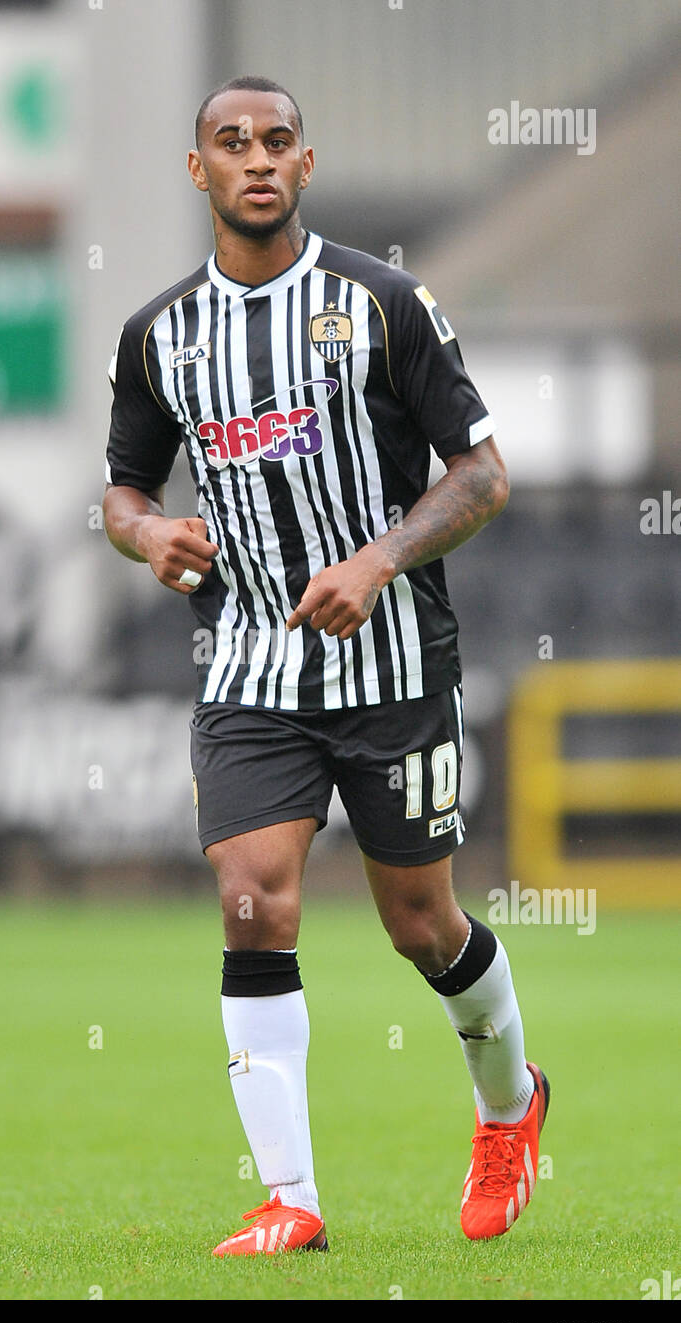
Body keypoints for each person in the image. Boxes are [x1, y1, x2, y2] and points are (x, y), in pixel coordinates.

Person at [103, 75, 548, 1256]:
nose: (257, 158)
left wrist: (379, 559)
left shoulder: (383, 303)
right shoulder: (161, 336)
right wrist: (150, 533)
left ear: (308, 166)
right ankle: (289, 1199)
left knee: (421, 926)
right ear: (196, 170)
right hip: (251, 664)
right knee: (254, 903)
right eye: (231, 142)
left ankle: (510, 1106)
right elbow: (123, 488)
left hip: (392, 662)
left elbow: (484, 474)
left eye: (278, 142)